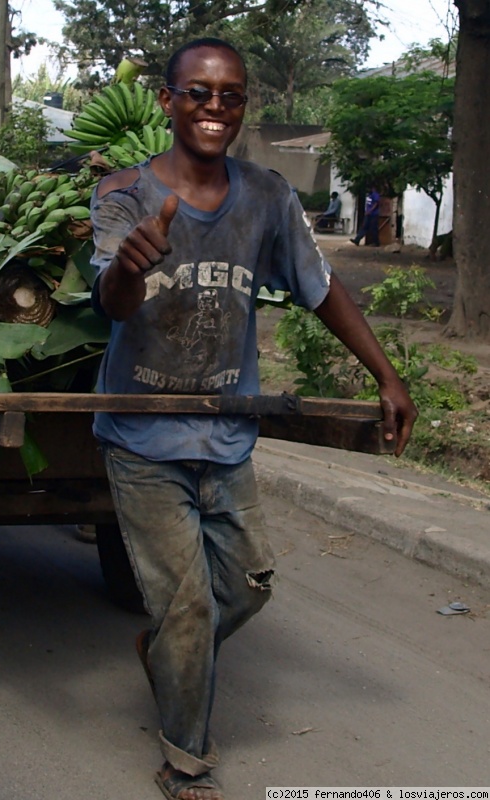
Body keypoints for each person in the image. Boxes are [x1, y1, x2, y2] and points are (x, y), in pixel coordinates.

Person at [89, 38, 417, 800]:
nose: (213, 107)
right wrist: (131, 269)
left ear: (242, 107)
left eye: (229, 95)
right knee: (188, 603)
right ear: (168, 100)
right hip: (142, 435)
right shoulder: (123, 193)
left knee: (247, 586)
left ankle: (165, 648)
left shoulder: (269, 197)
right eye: (197, 93)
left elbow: (322, 287)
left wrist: (388, 374)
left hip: (227, 430)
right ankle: (186, 763)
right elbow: (110, 300)